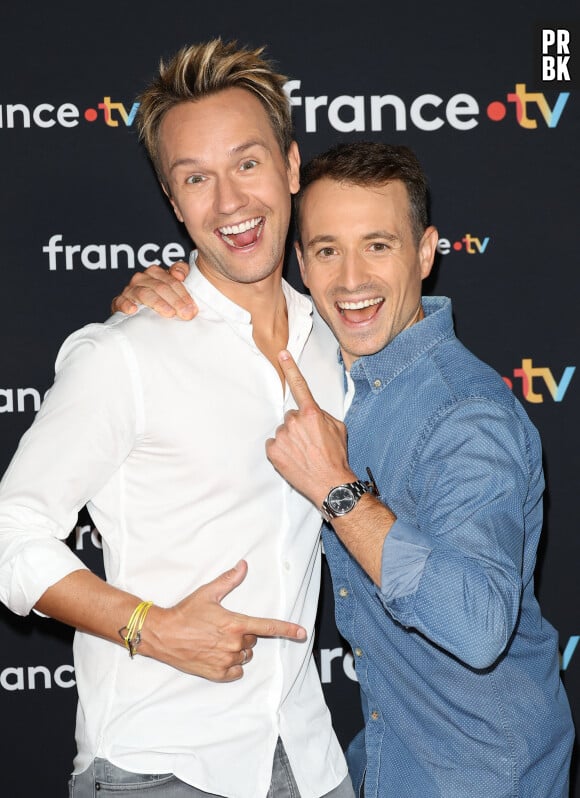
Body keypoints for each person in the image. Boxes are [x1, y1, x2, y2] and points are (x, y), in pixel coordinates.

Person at [120, 142, 575, 797]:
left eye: (379, 246)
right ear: (300, 262)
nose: (351, 279)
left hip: (483, 775)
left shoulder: (464, 415)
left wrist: (338, 490)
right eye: (328, 250)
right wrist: (158, 295)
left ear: (425, 252)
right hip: (385, 761)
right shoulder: (334, 375)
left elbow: (477, 628)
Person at [0, 40, 353, 798]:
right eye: (197, 178)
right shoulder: (125, 354)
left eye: (248, 164)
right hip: (159, 767)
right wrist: (149, 627)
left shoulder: (335, 337)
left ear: (292, 168)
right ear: (173, 200)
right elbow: (9, 533)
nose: (229, 203)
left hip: (310, 761)